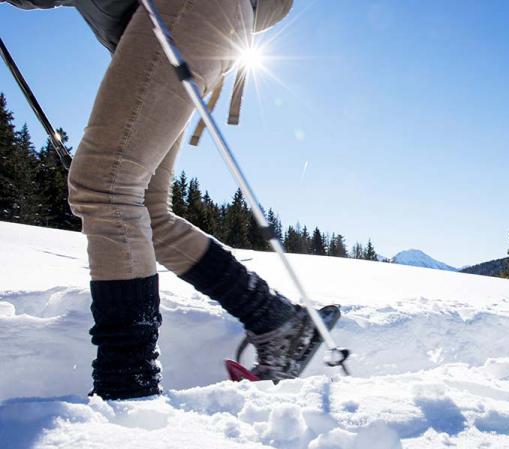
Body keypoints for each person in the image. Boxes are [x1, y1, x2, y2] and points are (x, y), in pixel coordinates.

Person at [5, 0, 339, 399]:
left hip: (181, 12)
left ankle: (127, 384)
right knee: (145, 209)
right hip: (179, 22)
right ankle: (275, 319)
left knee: (106, 188)